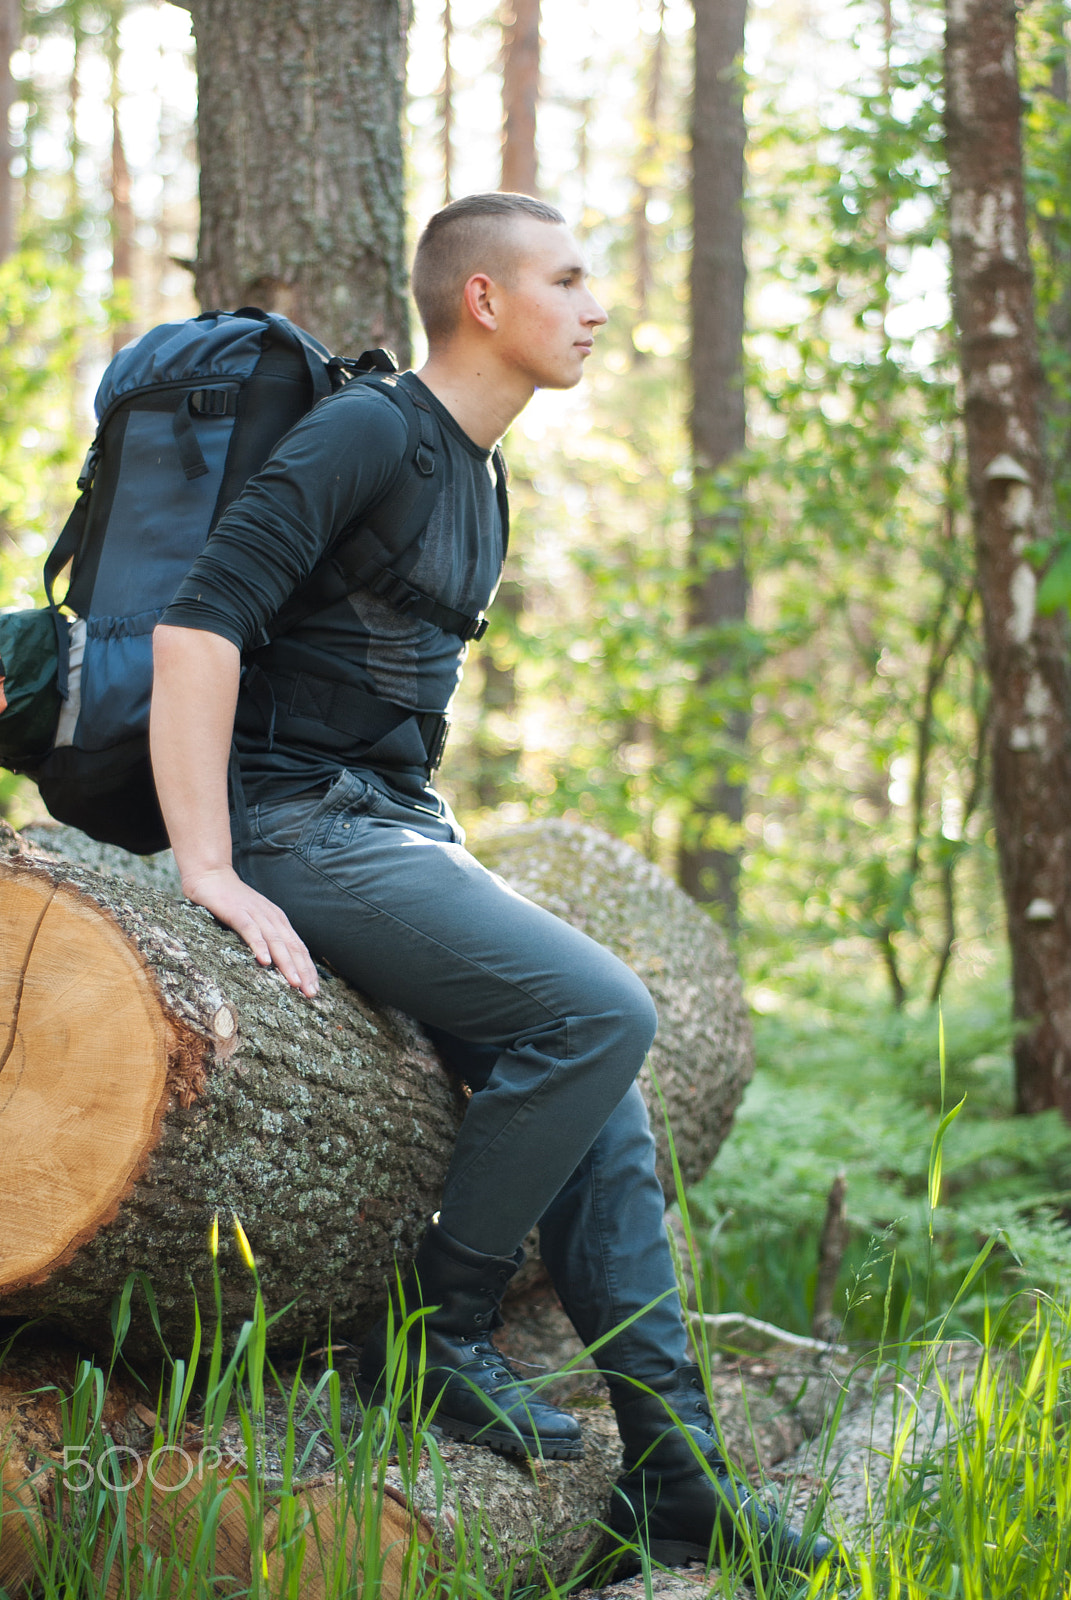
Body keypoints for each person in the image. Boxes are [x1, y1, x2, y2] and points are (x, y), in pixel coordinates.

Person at [149, 192, 834, 1578]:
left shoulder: (484, 471)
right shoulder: (366, 432)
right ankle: (438, 1329)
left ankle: (679, 1472)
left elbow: (391, 705)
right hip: (294, 824)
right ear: (483, 300)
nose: (595, 307)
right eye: (570, 279)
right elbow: (197, 623)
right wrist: (211, 862)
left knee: (611, 1110)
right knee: (602, 1013)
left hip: (392, 826)